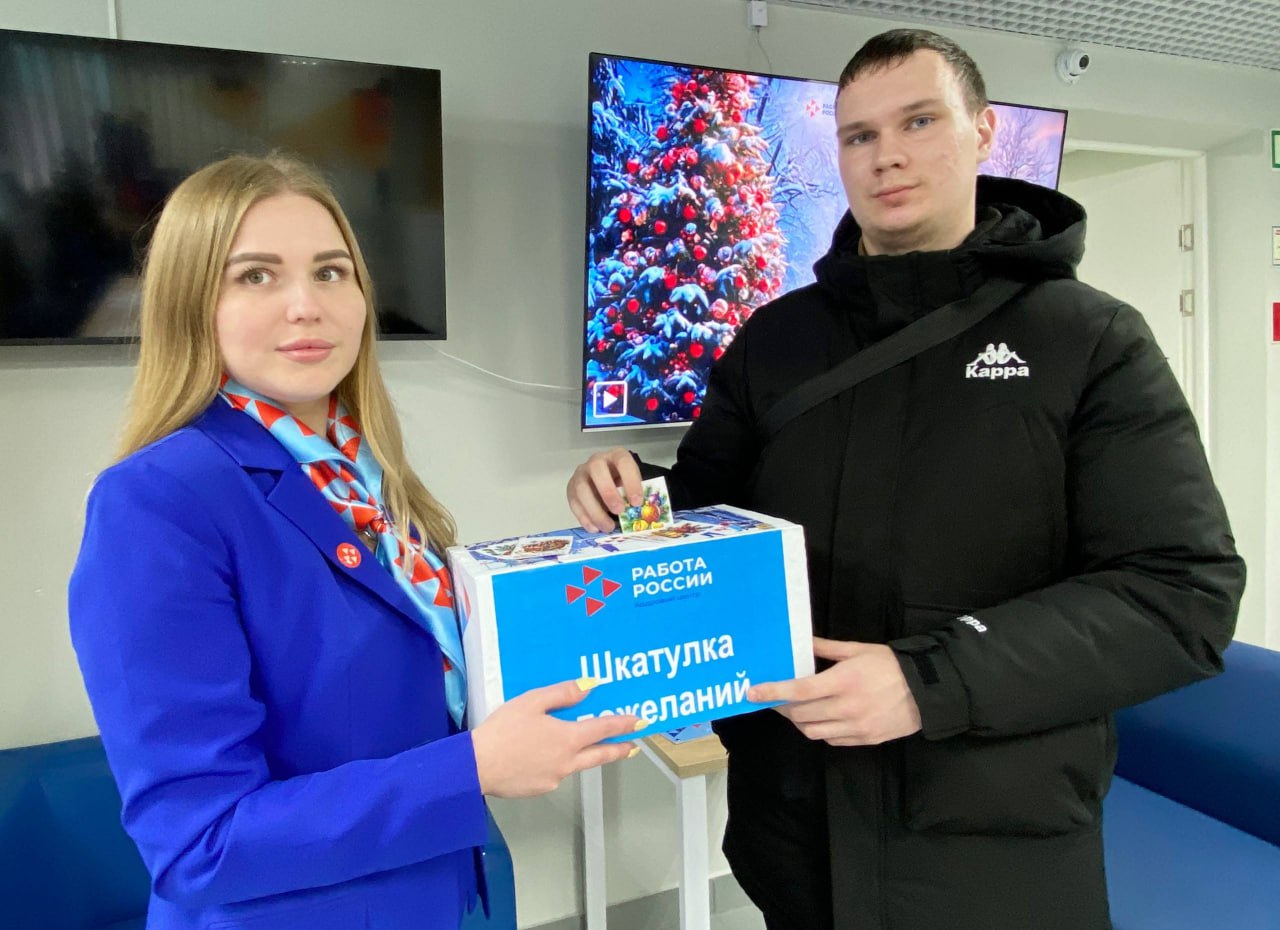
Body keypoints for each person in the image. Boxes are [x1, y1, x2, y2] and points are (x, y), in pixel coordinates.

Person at [566, 28, 1244, 930]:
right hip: (793, 831)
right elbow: (710, 516)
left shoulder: (1089, 341)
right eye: (859, 135)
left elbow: (1181, 593)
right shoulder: (776, 341)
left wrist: (932, 680)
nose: (886, 155)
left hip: (993, 853)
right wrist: (633, 495)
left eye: (919, 121)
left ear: (982, 131)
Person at [69, 154, 641, 930]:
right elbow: (200, 844)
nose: (307, 305)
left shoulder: (363, 471)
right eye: (257, 276)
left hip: (424, 898)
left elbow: (409, 680)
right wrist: (473, 769)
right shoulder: (158, 501)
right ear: (191, 302)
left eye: (331, 272)